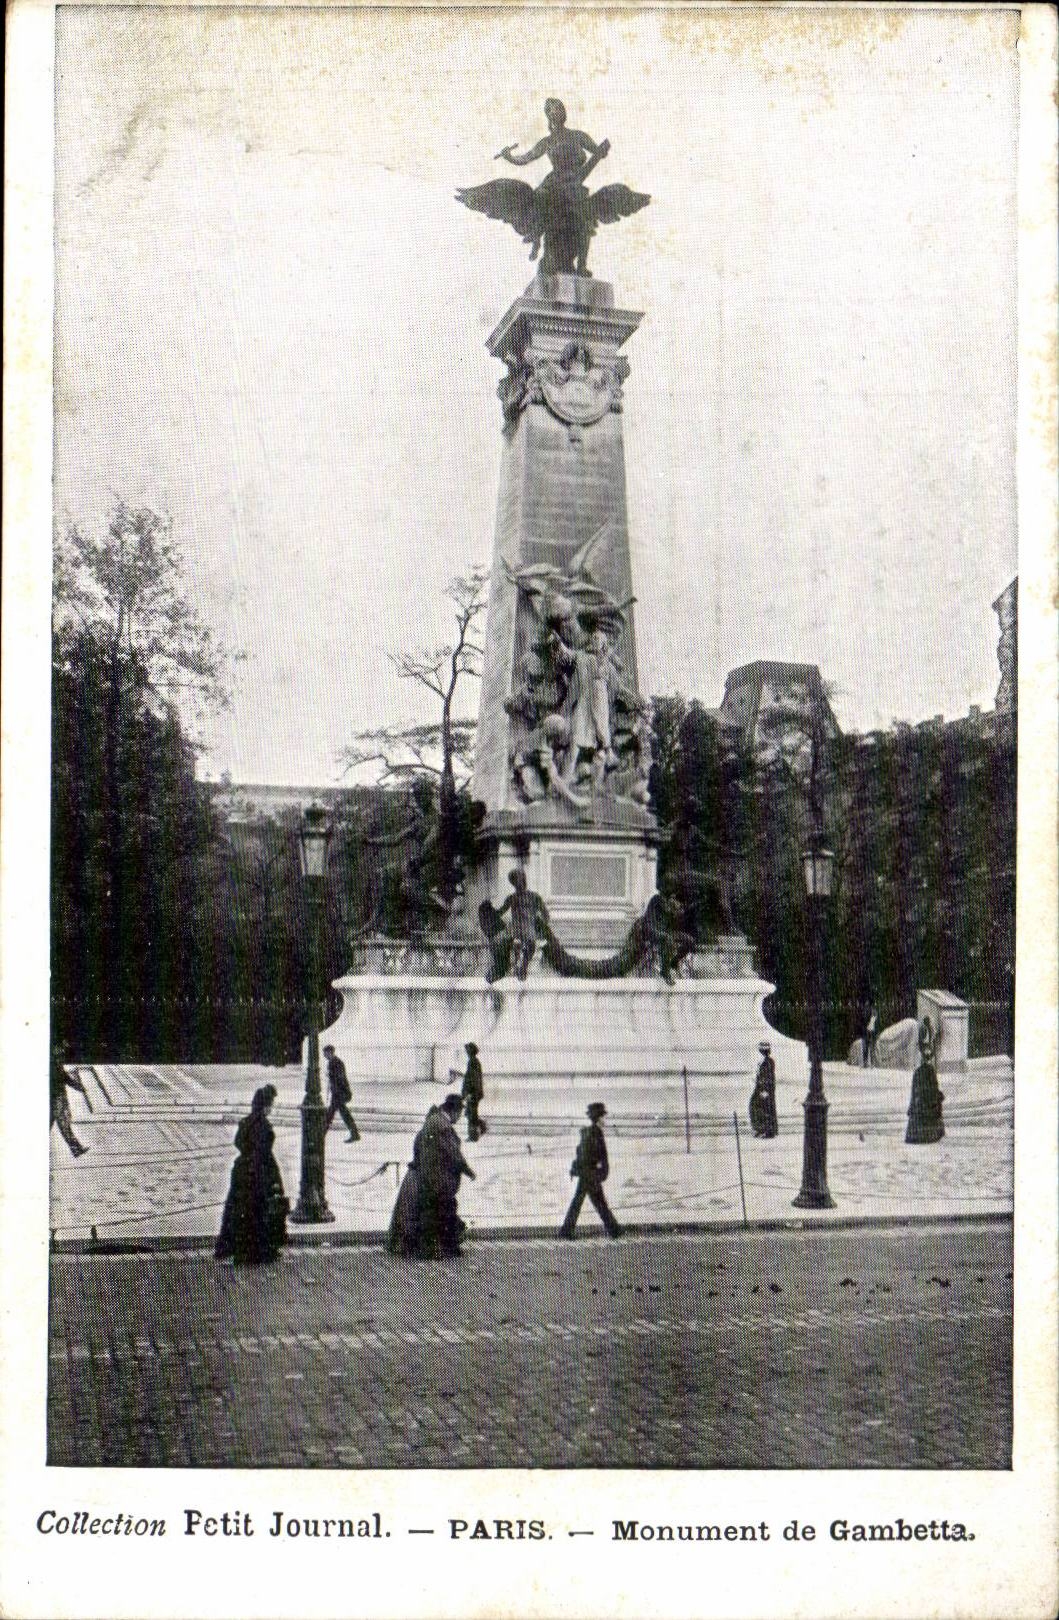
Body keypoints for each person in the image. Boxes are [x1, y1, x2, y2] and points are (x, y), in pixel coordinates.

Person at [215, 1085, 288, 1264]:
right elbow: (265, 1154)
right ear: (266, 1106)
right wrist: (275, 1178)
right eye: (271, 1104)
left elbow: (238, 1143)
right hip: (259, 1173)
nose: (271, 1108)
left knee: (239, 1211)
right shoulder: (265, 1127)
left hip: (242, 1170)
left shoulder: (245, 1122)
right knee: (259, 1211)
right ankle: (259, 1251)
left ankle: (236, 1249)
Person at [559, 1102, 622, 1239]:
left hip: (588, 1173)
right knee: (595, 1203)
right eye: (603, 1116)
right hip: (590, 1174)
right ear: (598, 1118)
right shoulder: (595, 1133)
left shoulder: (591, 1132)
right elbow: (591, 1154)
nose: (605, 1119)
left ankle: (566, 1231)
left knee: (589, 1202)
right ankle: (615, 1231)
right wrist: (598, 1169)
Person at [496, 868, 548, 980]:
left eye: (521, 879)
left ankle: (520, 966)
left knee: (526, 945)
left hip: (524, 931)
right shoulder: (514, 898)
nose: (520, 883)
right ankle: (519, 965)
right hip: (521, 931)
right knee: (524, 945)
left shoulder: (532, 897)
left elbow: (545, 914)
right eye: (517, 881)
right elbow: (500, 912)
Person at [50, 1052, 90, 1158]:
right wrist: (79, 1087)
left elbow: (66, 1078)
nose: (62, 1058)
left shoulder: (55, 1065)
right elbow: (66, 1078)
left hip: (57, 1098)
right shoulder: (54, 1066)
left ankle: (77, 1148)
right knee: (64, 1124)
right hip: (57, 1098)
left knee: (60, 1124)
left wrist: (79, 1087)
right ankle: (77, 1149)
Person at [323, 1044, 359, 1142]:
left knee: (330, 1115)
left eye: (325, 1053)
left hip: (339, 1093)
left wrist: (331, 1075)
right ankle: (355, 1134)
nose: (324, 1055)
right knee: (343, 1114)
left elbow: (340, 1077)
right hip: (337, 1093)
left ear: (330, 1052)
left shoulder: (336, 1062)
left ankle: (321, 1134)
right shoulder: (332, 1062)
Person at [905, 1057, 945, 1145]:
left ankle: (918, 1136)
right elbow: (934, 1087)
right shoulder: (930, 1071)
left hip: (919, 1102)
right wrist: (938, 1096)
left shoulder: (917, 1072)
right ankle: (930, 1135)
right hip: (928, 1101)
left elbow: (914, 1091)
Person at [748, 1042, 779, 1138]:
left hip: (764, 1089)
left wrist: (765, 1091)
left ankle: (767, 1131)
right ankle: (760, 1129)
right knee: (757, 1108)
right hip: (760, 1088)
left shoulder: (768, 1062)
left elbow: (768, 1077)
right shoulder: (764, 1061)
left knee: (764, 1109)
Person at [461, 1042, 486, 1142]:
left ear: (471, 1051)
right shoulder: (473, 1061)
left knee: (471, 1115)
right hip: (474, 1093)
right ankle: (478, 1130)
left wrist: (470, 1093)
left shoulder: (473, 1062)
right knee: (471, 1114)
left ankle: (474, 1135)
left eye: (467, 1050)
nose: (466, 1052)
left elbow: (474, 1079)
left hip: (473, 1093)